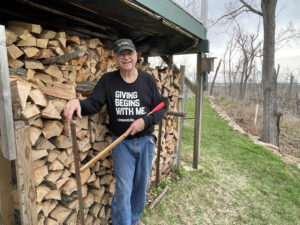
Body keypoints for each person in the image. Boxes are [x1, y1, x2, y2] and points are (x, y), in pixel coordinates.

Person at [64, 39, 166, 225]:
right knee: (124, 189)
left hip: (145, 142)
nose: (126, 57)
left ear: (136, 56)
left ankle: (134, 221)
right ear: (115, 58)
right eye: (121, 54)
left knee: (139, 188)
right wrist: (78, 102)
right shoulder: (108, 80)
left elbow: (160, 108)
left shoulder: (147, 80)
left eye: (129, 53)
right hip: (121, 143)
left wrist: (145, 121)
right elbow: (94, 103)